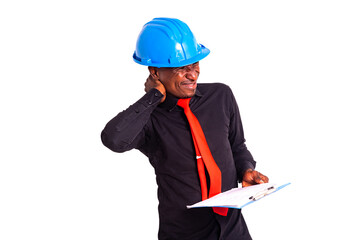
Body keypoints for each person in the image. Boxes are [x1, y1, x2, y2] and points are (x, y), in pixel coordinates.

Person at [101, 17, 269, 240]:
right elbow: (113, 140)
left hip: (232, 229)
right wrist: (152, 97)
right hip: (184, 233)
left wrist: (246, 169)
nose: (193, 74)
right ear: (154, 72)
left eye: (195, 64)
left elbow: (237, 146)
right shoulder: (149, 119)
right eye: (182, 68)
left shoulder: (221, 96)